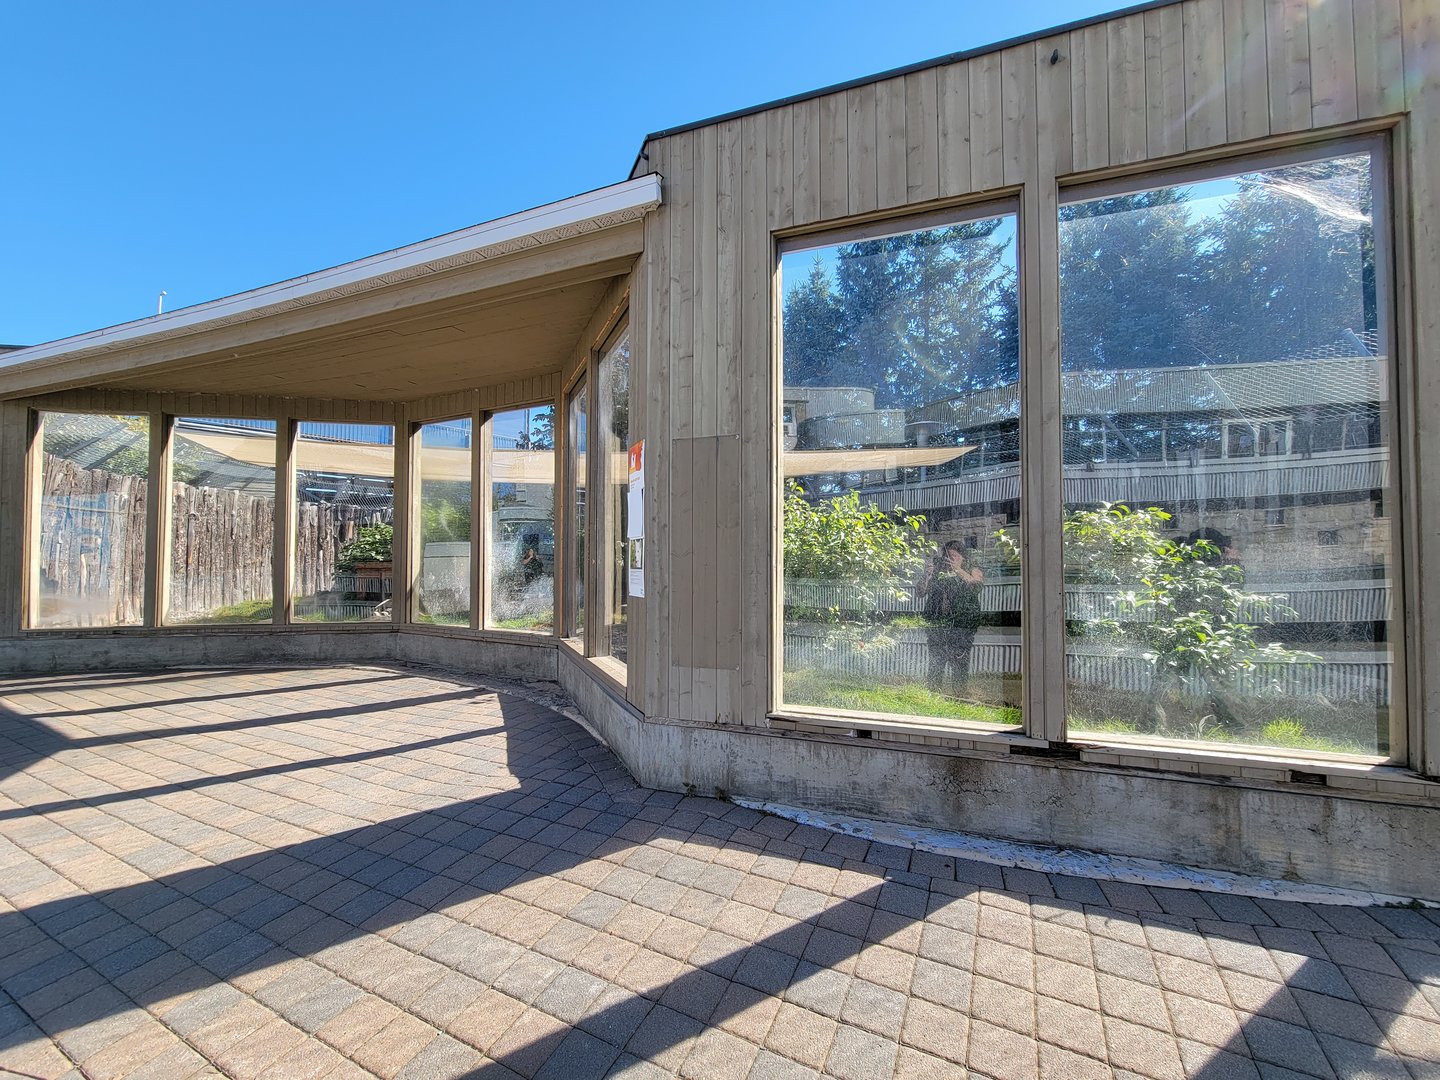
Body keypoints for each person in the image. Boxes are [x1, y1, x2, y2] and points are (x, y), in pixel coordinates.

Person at [923, 540, 984, 695]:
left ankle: (959, 695)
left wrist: (957, 570)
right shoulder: (938, 571)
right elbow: (920, 592)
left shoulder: (971, 568)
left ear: (963, 557)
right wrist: (927, 575)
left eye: (954, 556)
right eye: (946, 556)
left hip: (961, 628)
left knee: (959, 663)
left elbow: (977, 585)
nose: (949, 559)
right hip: (937, 627)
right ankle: (933, 695)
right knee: (936, 663)